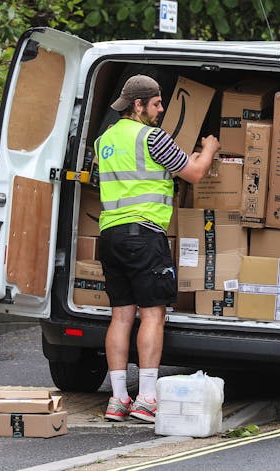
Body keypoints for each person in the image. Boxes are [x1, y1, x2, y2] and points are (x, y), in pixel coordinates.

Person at [95, 75, 219, 423]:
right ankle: (147, 398)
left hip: (110, 236)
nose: (161, 109)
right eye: (156, 103)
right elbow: (194, 173)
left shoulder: (104, 141)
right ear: (139, 105)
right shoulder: (152, 137)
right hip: (144, 236)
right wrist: (209, 149)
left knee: (121, 315)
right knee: (153, 314)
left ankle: (118, 399)